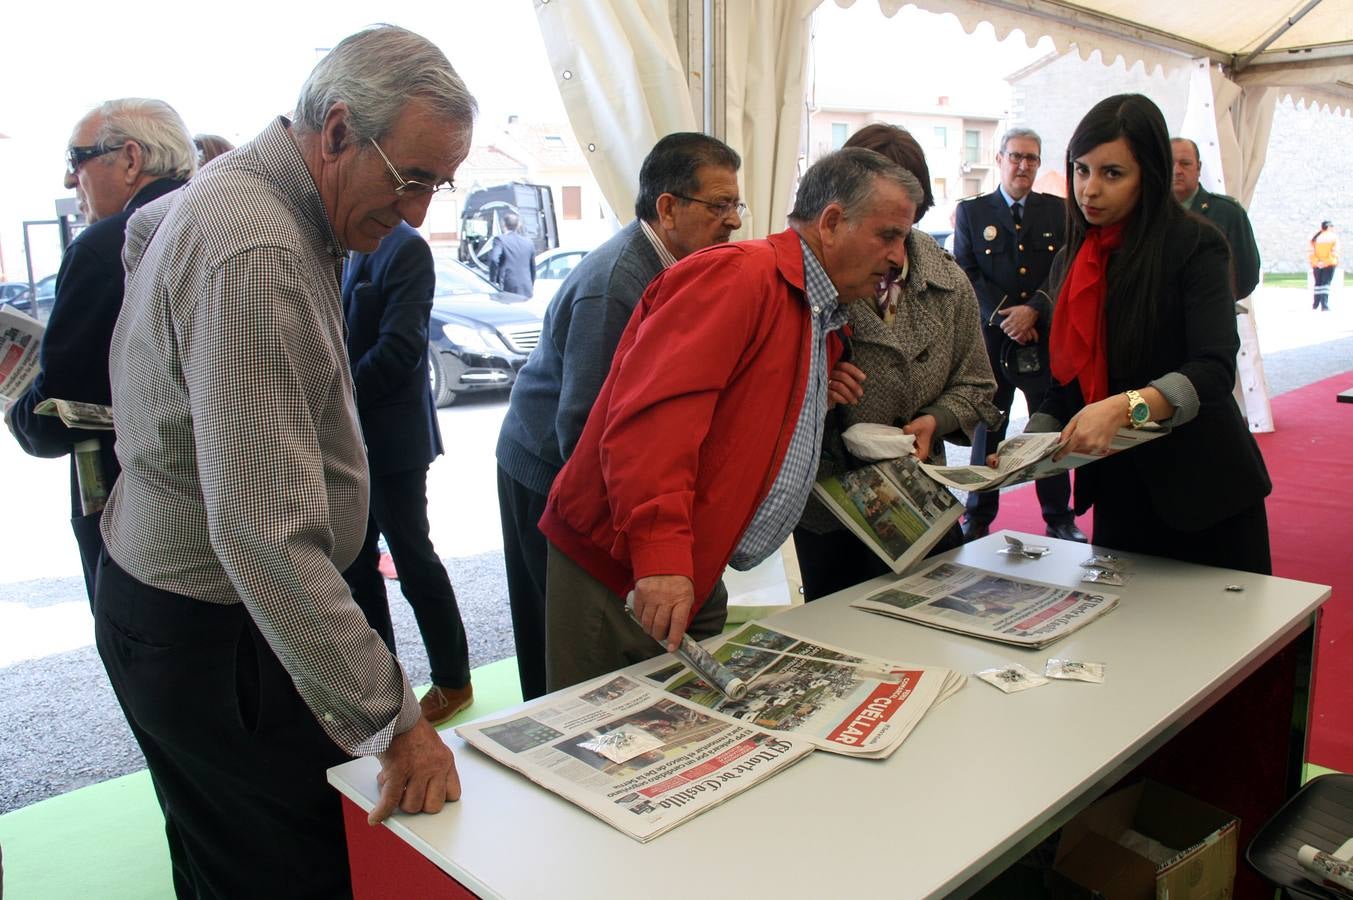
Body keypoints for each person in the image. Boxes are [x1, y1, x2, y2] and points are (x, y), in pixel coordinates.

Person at [95, 26, 472, 897]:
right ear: (336, 130)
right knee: (284, 870)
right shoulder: (257, 248)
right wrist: (396, 723)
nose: (415, 212)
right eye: (409, 178)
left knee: (217, 855)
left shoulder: (232, 190)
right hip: (223, 631)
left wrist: (166, 381)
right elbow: (264, 536)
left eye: (436, 186)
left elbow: (143, 230)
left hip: (176, 603)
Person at [539, 147, 915, 690]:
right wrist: (661, 557)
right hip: (624, 568)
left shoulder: (811, 304)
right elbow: (652, 424)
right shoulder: (739, 277)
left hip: (686, 562)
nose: (899, 257)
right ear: (832, 223)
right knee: (605, 748)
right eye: (889, 236)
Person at [496, 132, 742, 700]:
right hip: (545, 471)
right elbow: (584, 427)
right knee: (556, 631)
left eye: (736, 205)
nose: (733, 221)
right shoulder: (616, 285)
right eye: (718, 206)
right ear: (668, 207)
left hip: (573, 462)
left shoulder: (676, 265)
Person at [1023, 93, 1271, 574]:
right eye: (1081, 170)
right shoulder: (1071, 260)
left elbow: (1212, 370)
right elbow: (1066, 386)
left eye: (1112, 173)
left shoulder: (1196, 245)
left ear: (1150, 175)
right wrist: (1028, 447)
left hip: (1204, 493)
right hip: (1119, 492)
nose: (1089, 190)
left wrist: (1122, 408)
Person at [793, 123, 998, 601]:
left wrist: (935, 420)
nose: (891, 245)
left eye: (903, 222)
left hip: (923, 501)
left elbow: (977, 384)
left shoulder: (948, 282)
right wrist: (818, 387)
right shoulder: (806, 284)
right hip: (830, 507)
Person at [5, 98, 194, 604]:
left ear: (131, 158)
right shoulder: (229, 224)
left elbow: (57, 412)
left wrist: (17, 409)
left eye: (77, 159)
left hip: (138, 523)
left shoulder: (104, 247)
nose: (71, 181)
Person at [342, 220, 474, 725]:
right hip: (349, 440)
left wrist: (336, 400)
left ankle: (453, 679)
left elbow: (400, 350)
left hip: (393, 441)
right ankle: (383, 690)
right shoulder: (345, 241)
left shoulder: (407, 248)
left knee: (413, 559)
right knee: (356, 567)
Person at [954, 127, 1083, 543]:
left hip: (1043, 338)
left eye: (1032, 158)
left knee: (1047, 430)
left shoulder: (1059, 211)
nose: (1023, 165)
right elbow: (965, 272)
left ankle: (1058, 517)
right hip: (993, 341)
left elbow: (1066, 268)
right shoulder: (973, 212)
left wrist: (1035, 310)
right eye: (1016, 157)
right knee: (987, 428)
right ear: (999, 159)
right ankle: (977, 515)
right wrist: (1004, 315)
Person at [1170, 137, 1260, 299]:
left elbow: (1247, 275)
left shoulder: (1228, 213)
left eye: (1185, 163)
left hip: (1210, 317)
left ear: (1198, 168)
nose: (1177, 170)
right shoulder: (1145, 214)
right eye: (1170, 163)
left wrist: (1216, 305)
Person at [485, 211, 536, 295]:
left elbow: (494, 259)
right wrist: (531, 284)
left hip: (507, 286)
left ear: (503, 224)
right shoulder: (528, 242)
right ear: (518, 225)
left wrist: (493, 281)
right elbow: (533, 268)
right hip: (526, 287)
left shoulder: (500, 240)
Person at [1310, 220, 1340, 311]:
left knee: (1318, 284)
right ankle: (1324, 305)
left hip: (1317, 265)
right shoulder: (1333, 237)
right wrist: (1325, 262)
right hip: (1329, 264)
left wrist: (1317, 262)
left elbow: (1311, 252)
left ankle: (1315, 304)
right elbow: (1335, 252)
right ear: (1328, 227)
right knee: (1325, 285)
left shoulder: (1315, 238)